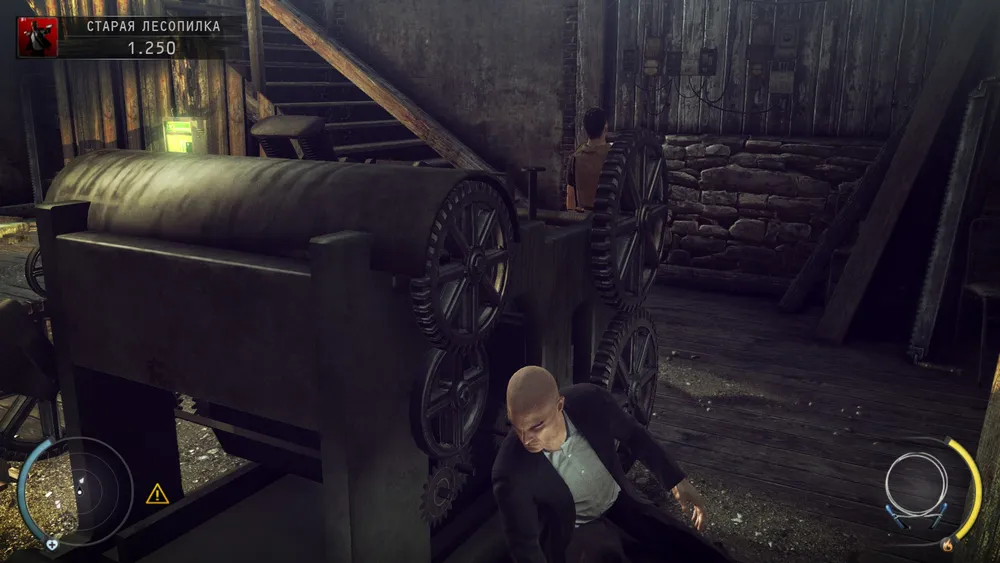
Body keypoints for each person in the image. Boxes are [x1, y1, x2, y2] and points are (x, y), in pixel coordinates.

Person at [492, 365, 734, 563]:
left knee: (686, 544)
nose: (526, 439)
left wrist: (676, 481)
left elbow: (634, 435)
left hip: (621, 501)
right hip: (576, 531)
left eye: (536, 426)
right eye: (517, 426)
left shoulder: (591, 402)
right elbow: (524, 544)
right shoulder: (509, 471)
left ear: (559, 406)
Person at [565, 107, 612, 212]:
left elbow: (570, 199)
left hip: (583, 218)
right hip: (608, 218)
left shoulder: (575, 158)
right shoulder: (614, 155)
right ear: (605, 127)